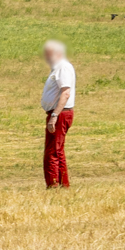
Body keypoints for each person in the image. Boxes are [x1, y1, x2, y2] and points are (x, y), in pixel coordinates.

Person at [41, 40, 76, 188]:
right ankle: (63, 184)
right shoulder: (58, 68)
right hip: (58, 113)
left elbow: (65, 92)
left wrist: (54, 116)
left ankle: (53, 185)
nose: (47, 57)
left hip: (60, 114)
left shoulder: (63, 68)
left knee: (52, 152)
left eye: (50, 54)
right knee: (57, 150)